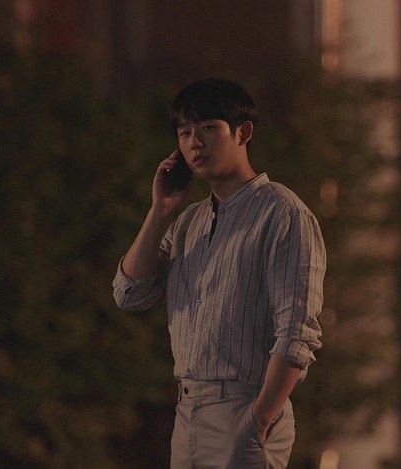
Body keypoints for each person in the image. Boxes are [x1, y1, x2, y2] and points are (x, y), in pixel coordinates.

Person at [112, 78, 326, 468]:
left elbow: (297, 332)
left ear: (243, 132)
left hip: (245, 407)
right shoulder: (187, 222)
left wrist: (258, 419)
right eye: (185, 133)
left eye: (209, 128)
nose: (195, 142)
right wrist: (160, 210)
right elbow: (130, 293)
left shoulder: (282, 212)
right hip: (187, 412)